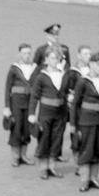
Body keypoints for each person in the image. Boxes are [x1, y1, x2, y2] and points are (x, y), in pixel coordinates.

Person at [70, 51, 99, 191]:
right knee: (86, 149)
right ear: (91, 65)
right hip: (86, 120)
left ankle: (94, 178)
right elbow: (75, 103)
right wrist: (73, 124)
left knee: (97, 149)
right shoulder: (83, 81)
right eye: (98, 64)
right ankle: (84, 180)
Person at [29, 46, 69, 180]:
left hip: (60, 112)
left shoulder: (63, 74)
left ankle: (52, 167)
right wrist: (32, 113)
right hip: (46, 112)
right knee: (44, 138)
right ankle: (43, 168)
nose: (54, 60)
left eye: (57, 58)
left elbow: (67, 91)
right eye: (52, 58)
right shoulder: (41, 76)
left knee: (57, 139)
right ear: (46, 59)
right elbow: (34, 96)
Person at [3, 44, 37, 166]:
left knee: (26, 129)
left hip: (29, 102)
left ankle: (24, 155)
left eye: (29, 53)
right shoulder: (14, 68)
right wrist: (7, 106)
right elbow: (7, 88)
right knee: (16, 129)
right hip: (16, 103)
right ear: (19, 54)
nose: (27, 56)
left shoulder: (35, 68)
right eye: (24, 53)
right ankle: (15, 157)